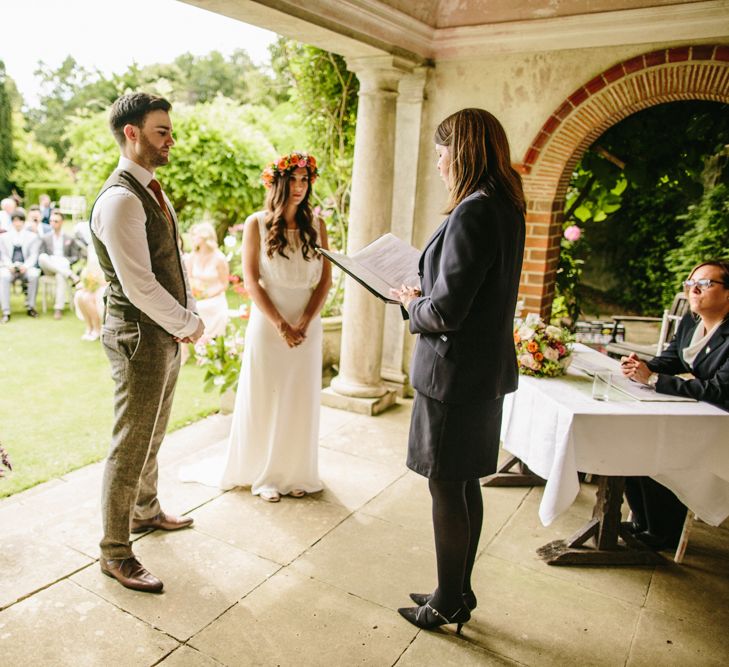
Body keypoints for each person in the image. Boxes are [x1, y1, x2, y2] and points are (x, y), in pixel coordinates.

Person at [392, 109, 525, 633]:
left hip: (453, 376)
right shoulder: (506, 206)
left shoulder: (474, 211)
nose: (440, 163)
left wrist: (411, 303)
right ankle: (458, 589)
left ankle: (448, 600)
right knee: (464, 483)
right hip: (481, 374)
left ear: (463, 151)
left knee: (446, 486)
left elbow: (447, 311)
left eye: (443, 153)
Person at [90, 92, 204, 593]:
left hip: (162, 330)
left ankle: (146, 510)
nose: (171, 141)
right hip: (138, 335)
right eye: (162, 132)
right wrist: (188, 322)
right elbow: (138, 284)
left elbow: (172, 263)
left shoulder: (152, 190)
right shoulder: (119, 200)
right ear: (131, 133)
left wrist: (188, 314)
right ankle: (115, 552)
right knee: (131, 441)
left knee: (154, 429)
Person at [182, 152, 331, 503]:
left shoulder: (317, 226)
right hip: (268, 324)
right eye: (293, 179)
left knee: (299, 398)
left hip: (308, 325)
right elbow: (251, 281)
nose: (299, 186)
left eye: (305, 180)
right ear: (278, 183)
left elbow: (325, 281)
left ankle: (296, 472)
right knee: (268, 394)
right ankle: (264, 474)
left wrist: (305, 321)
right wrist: (281, 324)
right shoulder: (257, 223)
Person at [620, 259, 729, 550]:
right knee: (634, 439)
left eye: (704, 284)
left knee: (661, 448)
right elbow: (671, 360)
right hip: (702, 411)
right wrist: (639, 366)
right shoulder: (691, 323)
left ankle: (663, 532)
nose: (693, 289)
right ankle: (643, 522)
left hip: (723, 423)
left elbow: (719, 389)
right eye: (690, 283)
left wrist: (654, 379)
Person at [181, 221, 229, 360]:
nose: (193, 238)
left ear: (205, 238)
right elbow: (189, 278)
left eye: (196, 235)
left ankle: (207, 346)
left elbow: (224, 284)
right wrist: (196, 291)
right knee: (186, 310)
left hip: (215, 297)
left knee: (202, 308)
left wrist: (208, 294)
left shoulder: (219, 258)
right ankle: (184, 352)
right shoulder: (192, 257)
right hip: (197, 296)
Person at [38, 210, 82, 319]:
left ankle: (59, 308)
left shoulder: (69, 238)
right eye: (51, 221)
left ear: (62, 222)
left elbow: (75, 256)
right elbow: (41, 254)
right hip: (49, 267)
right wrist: (54, 260)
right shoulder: (45, 237)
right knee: (42, 257)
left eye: (56, 221)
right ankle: (71, 275)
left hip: (62, 265)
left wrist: (64, 261)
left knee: (60, 275)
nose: (53, 223)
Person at [0, 210, 41, 321]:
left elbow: (33, 255)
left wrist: (26, 266)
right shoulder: (4, 237)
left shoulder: (32, 236)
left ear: (23, 222)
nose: (17, 223)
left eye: (20, 221)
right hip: (9, 267)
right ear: (12, 222)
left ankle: (30, 306)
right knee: (3, 276)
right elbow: (3, 255)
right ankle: (6, 311)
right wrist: (9, 266)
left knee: (34, 275)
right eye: (15, 221)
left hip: (25, 267)